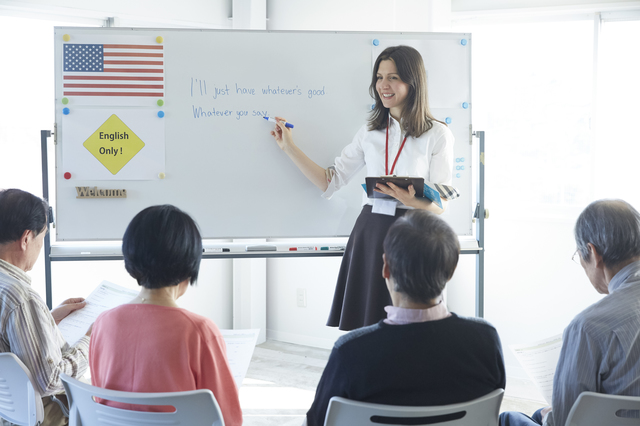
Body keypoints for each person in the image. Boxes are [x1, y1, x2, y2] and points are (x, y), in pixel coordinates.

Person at [270, 45, 458, 331]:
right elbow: (329, 181)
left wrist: (410, 199)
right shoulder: (369, 133)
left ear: (413, 81)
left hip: (414, 235)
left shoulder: (438, 133)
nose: (384, 85)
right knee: (366, 326)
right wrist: (289, 147)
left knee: (411, 326)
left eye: (393, 77)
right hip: (370, 232)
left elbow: (441, 204)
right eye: (380, 77)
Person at [304, 210, 505, 426]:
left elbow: (318, 422)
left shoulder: (350, 352)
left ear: (386, 267)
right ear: (451, 270)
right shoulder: (485, 340)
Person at [89, 205, 242, 425]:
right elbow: (227, 419)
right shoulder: (199, 331)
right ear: (189, 264)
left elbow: (102, 399)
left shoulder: (103, 323)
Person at [500, 199, 640, 426]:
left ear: (593, 253)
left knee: (510, 418)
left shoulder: (589, 326)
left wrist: (549, 416)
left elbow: (564, 421)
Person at [0, 189, 91, 426]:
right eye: (42, 237)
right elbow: (50, 381)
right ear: (26, 238)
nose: (41, 247)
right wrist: (90, 341)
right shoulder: (21, 298)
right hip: (46, 417)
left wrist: (48, 320)